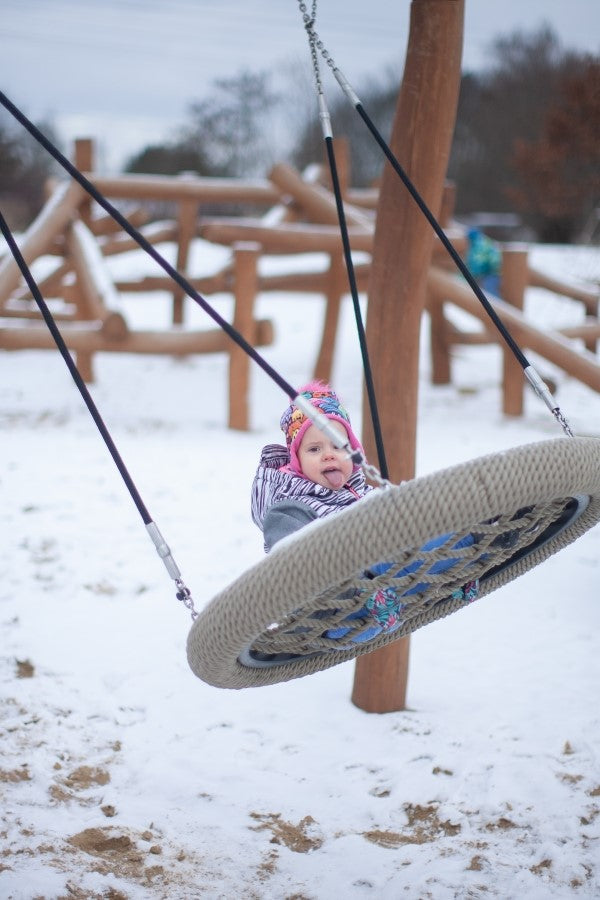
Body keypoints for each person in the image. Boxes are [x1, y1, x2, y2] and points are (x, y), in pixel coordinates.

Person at [251, 381, 478, 645]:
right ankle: (471, 540)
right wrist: (355, 588)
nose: (329, 455)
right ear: (296, 460)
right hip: (328, 614)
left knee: (413, 549)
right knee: (398, 561)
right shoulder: (289, 508)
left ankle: (455, 572)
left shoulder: (366, 494)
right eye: (314, 449)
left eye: (338, 446)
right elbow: (291, 567)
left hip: (383, 595)